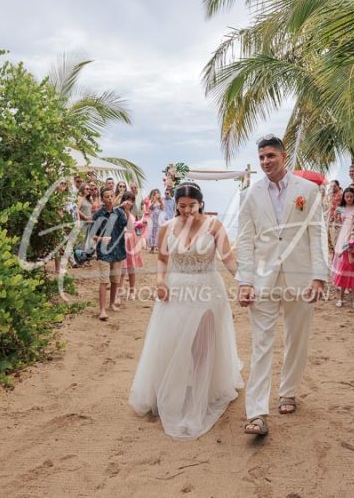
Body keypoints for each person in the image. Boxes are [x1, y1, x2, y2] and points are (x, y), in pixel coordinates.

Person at [129, 182, 242, 440]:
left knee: (201, 347)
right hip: (176, 290)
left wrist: (244, 281)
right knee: (173, 343)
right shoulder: (168, 227)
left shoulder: (214, 226)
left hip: (207, 290)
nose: (187, 211)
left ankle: (198, 402)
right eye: (182, 207)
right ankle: (171, 391)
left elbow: (227, 259)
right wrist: (159, 281)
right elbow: (161, 258)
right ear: (176, 205)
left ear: (200, 202)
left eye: (192, 206)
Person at [237, 135, 328, 435]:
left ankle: (288, 391)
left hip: (300, 276)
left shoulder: (309, 190)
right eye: (261, 157)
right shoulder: (252, 194)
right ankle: (257, 413)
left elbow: (316, 234)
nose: (265, 162)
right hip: (263, 278)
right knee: (261, 344)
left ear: (284, 156)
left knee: (296, 337)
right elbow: (246, 240)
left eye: (270, 156)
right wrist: (245, 281)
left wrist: (319, 276)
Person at [89, 186, 128, 321]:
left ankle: (111, 304)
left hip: (118, 250)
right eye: (107, 197)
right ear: (102, 199)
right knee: (104, 281)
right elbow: (91, 234)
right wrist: (101, 238)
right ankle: (102, 310)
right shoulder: (98, 215)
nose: (110, 199)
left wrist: (126, 210)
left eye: (111, 196)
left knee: (115, 281)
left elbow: (125, 225)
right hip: (104, 252)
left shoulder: (120, 212)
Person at [331, 188, 354, 308]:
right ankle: (341, 282)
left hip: (353, 232)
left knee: (351, 258)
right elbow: (336, 221)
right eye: (346, 197)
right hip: (343, 232)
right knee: (341, 256)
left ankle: (352, 284)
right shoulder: (341, 208)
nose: (349, 199)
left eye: (351, 197)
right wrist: (336, 217)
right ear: (344, 197)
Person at [120, 191, 144, 302]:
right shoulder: (119, 212)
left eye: (131, 200)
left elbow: (134, 226)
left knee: (131, 268)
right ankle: (119, 291)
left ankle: (132, 290)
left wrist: (127, 210)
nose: (129, 202)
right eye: (127, 199)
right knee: (121, 269)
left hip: (131, 242)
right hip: (121, 241)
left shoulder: (132, 214)